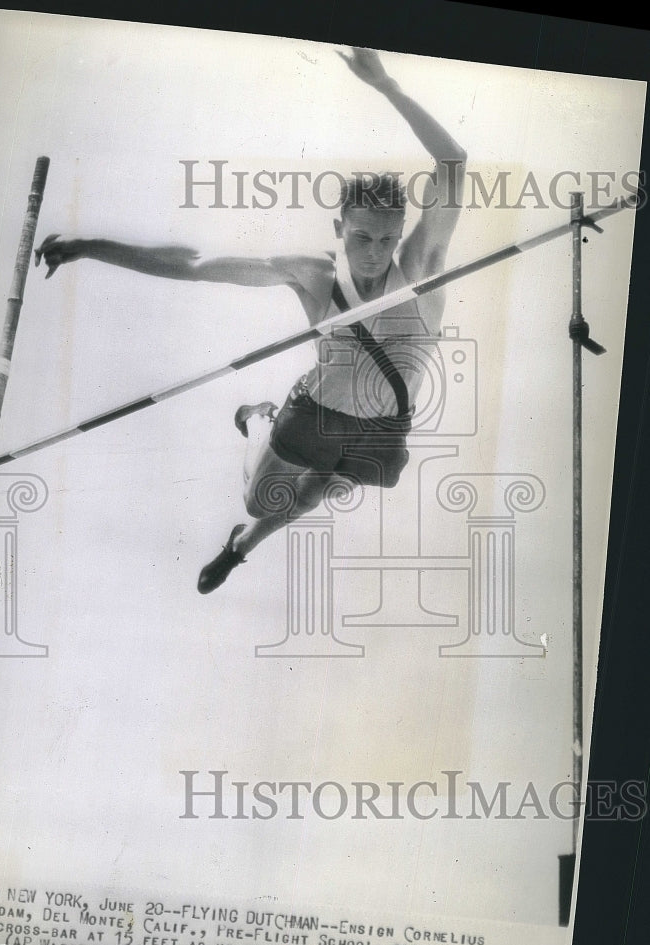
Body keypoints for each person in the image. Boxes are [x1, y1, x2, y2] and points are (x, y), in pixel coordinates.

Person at [35, 46, 466, 594]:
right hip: (318, 411)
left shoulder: (422, 268)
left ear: (402, 231)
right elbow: (194, 266)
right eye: (361, 237)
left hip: (385, 427)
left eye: (386, 238)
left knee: (310, 494)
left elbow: (453, 162)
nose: (375, 253)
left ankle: (241, 547)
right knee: (262, 499)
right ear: (339, 228)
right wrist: (89, 246)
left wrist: (387, 86)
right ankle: (258, 418)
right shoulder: (316, 277)